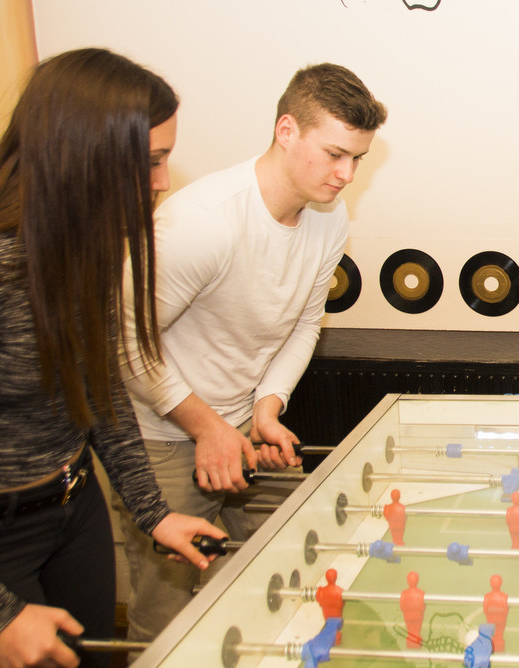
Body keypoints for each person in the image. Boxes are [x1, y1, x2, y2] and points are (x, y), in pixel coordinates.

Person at [118, 62, 387, 644]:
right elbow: (126, 345)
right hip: (162, 437)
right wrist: (207, 426)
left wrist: (268, 406)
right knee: (166, 620)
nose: (346, 175)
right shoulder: (200, 223)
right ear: (286, 130)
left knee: (294, 572)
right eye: (335, 154)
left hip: (241, 425)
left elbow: (305, 321)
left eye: (357, 159)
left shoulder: (329, 216)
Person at [0, 49, 226, 668]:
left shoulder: (84, 250)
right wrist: (4, 613)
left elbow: (99, 394)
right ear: (82, 155)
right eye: (150, 161)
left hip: (74, 509)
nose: (162, 181)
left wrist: (155, 514)